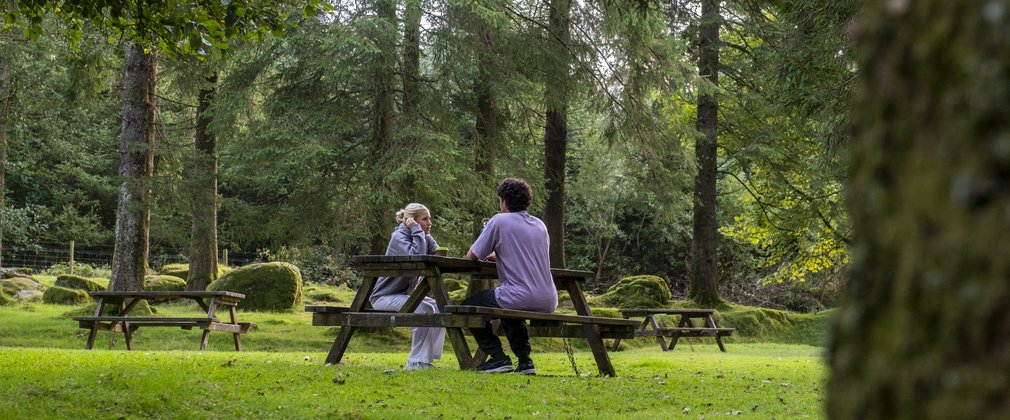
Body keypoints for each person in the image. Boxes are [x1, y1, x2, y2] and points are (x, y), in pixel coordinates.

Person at [464, 177, 556, 375]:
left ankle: (498, 358)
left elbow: (472, 256)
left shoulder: (499, 220)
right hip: (548, 298)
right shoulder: (539, 224)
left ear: (503, 201)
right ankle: (525, 362)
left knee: (466, 308)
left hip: (520, 294)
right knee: (510, 311)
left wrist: (489, 253)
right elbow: (528, 255)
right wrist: (499, 255)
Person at [369, 203, 446, 370]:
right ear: (412, 221)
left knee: (440, 306)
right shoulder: (399, 237)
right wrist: (418, 231)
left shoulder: (423, 235)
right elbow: (416, 258)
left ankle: (425, 359)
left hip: (404, 295)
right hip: (384, 297)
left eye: (429, 219)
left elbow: (435, 253)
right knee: (425, 308)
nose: (429, 223)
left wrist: (433, 245)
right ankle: (416, 361)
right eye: (425, 219)